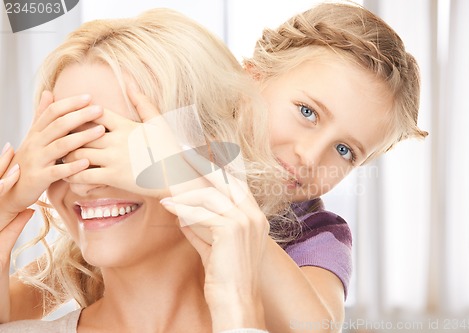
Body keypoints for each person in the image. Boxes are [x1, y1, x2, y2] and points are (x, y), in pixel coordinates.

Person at [0, 2, 427, 332]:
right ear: (248, 82)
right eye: (307, 112)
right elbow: (14, 307)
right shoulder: (181, 146)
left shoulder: (316, 231)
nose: (309, 156)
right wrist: (14, 194)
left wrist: (184, 178)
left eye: (346, 151)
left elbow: (315, 326)